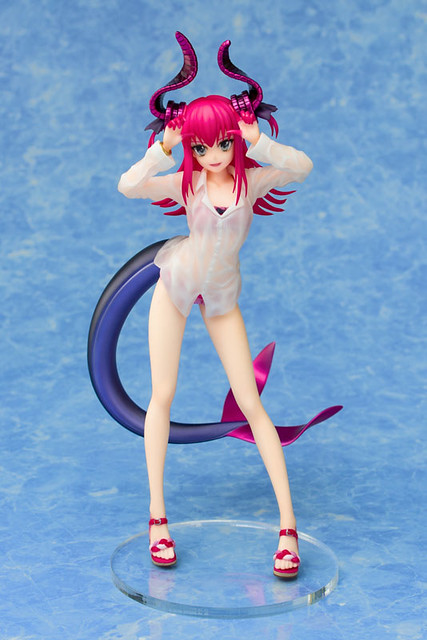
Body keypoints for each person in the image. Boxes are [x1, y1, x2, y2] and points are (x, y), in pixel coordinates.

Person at [117, 36, 313, 579]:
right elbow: (128, 186)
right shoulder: (188, 184)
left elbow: (303, 166)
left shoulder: (252, 180)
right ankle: (158, 518)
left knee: (251, 403)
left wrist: (259, 141)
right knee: (162, 394)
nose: (213, 156)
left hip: (223, 296)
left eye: (221, 143)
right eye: (200, 148)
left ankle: (288, 527)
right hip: (177, 286)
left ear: (235, 137)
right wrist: (163, 147)